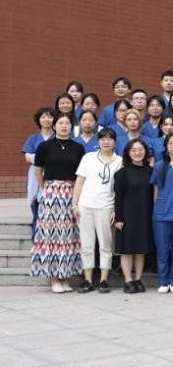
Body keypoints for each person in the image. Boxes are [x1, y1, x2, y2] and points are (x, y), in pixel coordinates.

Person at [30, 113, 85, 293]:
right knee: (52, 236)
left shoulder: (78, 147)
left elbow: (81, 174)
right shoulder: (45, 146)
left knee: (69, 236)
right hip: (51, 193)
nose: (63, 126)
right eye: (60, 123)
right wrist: (46, 188)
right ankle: (54, 278)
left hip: (72, 193)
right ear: (54, 126)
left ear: (71, 127)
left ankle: (65, 277)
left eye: (67, 123)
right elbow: (38, 171)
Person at [71, 127, 122, 294]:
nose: (106, 141)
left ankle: (104, 280)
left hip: (106, 207)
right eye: (102, 138)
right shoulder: (88, 158)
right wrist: (74, 204)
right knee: (87, 245)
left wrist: (116, 209)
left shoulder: (119, 161)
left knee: (106, 245)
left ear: (115, 141)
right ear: (98, 141)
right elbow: (79, 182)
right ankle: (87, 280)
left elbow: (120, 189)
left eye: (109, 138)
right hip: (85, 206)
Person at [114, 139, 155, 293]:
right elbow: (118, 197)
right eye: (133, 150)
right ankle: (128, 280)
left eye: (140, 150)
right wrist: (119, 218)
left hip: (145, 214)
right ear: (128, 153)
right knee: (127, 249)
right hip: (127, 215)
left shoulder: (150, 171)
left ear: (145, 152)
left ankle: (138, 278)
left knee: (140, 249)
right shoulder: (122, 173)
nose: (137, 153)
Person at [152, 132, 173, 293]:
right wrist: (157, 207)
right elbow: (155, 189)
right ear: (165, 146)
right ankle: (163, 281)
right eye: (170, 143)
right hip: (161, 213)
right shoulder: (159, 165)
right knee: (162, 248)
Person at [22, 107, 56, 234]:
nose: (46, 119)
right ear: (39, 120)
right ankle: (36, 239)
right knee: (36, 210)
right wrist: (46, 158)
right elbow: (27, 157)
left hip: (52, 175)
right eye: (43, 117)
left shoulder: (58, 137)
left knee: (50, 211)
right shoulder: (33, 138)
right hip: (34, 176)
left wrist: (37, 157)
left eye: (50, 117)